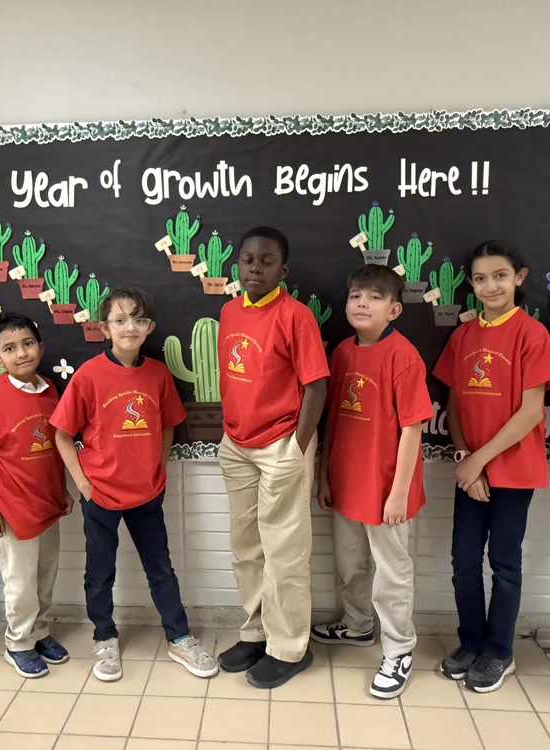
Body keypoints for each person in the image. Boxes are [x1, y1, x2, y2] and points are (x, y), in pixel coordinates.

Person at [51, 287, 218, 682]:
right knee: (100, 572)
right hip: (101, 495)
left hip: (147, 493)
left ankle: (179, 637)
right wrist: (84, 484)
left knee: (161, 568)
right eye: (120, 319)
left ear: (150, 327)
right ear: (104, 327)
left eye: (138, 319)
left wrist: (159, 470)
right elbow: (61, 434)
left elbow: (169, 424)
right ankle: (104, 638)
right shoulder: (89, 375)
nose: (130, 327)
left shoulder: (158, 373)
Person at [433, 240, 550, 692]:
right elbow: (455, 402)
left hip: (513, 470)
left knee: (504, 564)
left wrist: (481, 462)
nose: (491, 285)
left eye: (500, 275)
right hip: (472, 468)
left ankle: (500, 651)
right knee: (463, 562)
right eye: (481, 278)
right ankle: (471, 641)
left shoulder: (531, 334)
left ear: (519, 278)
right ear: (471, 283)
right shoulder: (463, 336)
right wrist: (467, 458)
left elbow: (531, 413)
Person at [311, 265, 433, 699]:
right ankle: (358, 625)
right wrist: (324, 475)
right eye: (356, 296)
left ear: (394, 309)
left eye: (374, 297)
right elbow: (331, 424)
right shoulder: (341, 352)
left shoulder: (404, 356)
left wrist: (398, 492)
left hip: (387, 491)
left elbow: (413, 429)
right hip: (346, 484)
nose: (362, 303)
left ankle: (399, 649)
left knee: (392, 574)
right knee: (350, 566)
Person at [216, 226, 329, 689]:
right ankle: (256, 632)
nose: (255, 268)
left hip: (282, 444)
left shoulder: (295, 315)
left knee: (284, 552)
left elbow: (317, 386)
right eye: (247, 260)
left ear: (283, 270)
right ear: (237, 265)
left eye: (266, 262)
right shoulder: (227, 311)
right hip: (237, 445)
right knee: (247, 549)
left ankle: (289, 647)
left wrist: (296, 449)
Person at [0, 313, 73, 679]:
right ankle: (17, 643)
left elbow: (57, 447)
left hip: (47, 504)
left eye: (27, 344)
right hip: (11, 509)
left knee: (44, 575)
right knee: (20, 581)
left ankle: (38, 631)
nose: (21, 353)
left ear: (40, 347)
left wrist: (63, 492)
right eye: (10, 348)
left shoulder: (50, 390)